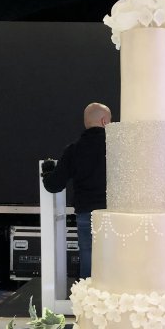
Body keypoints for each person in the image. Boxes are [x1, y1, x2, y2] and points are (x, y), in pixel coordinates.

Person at [42, 102, 111, 279]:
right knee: (114, 256)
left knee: (87, 255)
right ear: (104, 121)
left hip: (86, 211)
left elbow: (54, 185)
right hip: (113, 212)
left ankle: (87, 293)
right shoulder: (117, 148)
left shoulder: (74, 150)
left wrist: (47, 171)